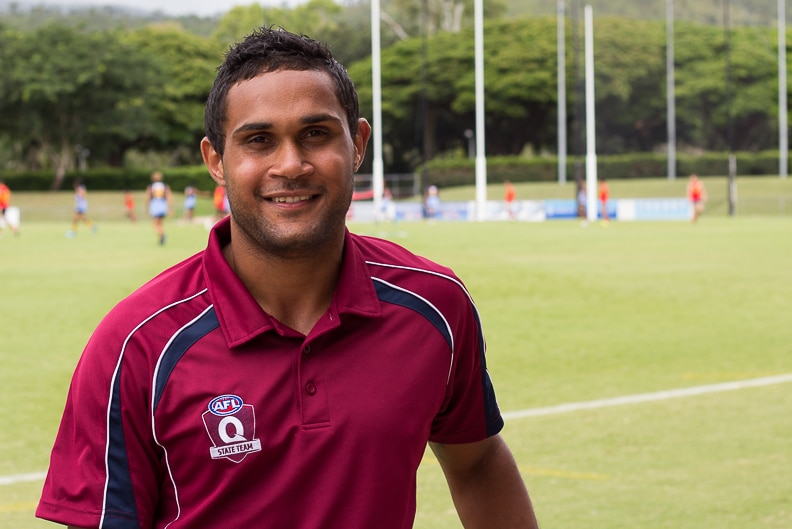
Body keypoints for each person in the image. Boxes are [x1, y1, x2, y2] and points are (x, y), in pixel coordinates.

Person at [36, 27, 539, 529]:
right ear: (216, 161)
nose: (291, 165)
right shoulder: (136, 344)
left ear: (358, 143)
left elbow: (477, 463)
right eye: (258, 140)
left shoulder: (435, 306)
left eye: (316, 134)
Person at [145, 171, 172, 245]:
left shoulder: (151, 186)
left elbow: (148, 197)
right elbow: (168, 196)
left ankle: (162, 234)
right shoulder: (165, 185)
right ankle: (161, 239)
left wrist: (147, 207)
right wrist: (170, 208)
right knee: (160, 223)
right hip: (163, 204)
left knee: (155, 224)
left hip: (155, 205)